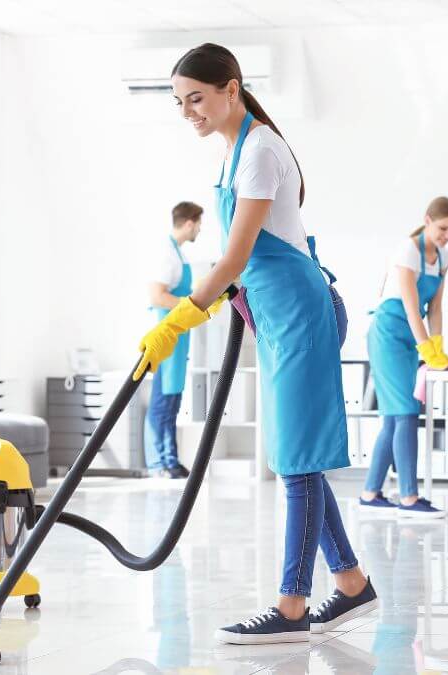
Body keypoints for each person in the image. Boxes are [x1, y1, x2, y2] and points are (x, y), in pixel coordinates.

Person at [133, 43, 378, 645]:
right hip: (275, 313)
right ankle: (350, 585)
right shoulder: (233, 153)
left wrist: (179, 319)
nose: (188, 111)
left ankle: (291, 609)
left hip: (299, 311)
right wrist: (217, 301)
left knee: (295, 463)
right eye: (179, 102)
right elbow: (239, 259)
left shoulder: (261, 150)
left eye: (197, 97)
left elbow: (238, 255)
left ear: (231, 88)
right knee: (300, 458)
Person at [359, 197, 448, 519]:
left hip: (412, 335)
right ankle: (409, 497)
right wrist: (426, 349)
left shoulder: (443, 257)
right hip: (389, 333)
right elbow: (408, 305)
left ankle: (370, 493)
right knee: (405, 412)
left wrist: (438, 345)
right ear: (428, 220)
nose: (447, 235)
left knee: (394, 416)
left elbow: (436, 308)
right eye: (443, 228)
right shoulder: (407, 250)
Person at [144, 201, 204, 479]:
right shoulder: (166, 254)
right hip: (167, 334)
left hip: (178, 336)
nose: (200, 229)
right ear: (189, 222)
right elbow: (157, 296)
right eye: (199, 223)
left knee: (172, 399)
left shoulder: (177, 253)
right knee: (162, 399)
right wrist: (188, 305)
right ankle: (159, 462)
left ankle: (171, 459)